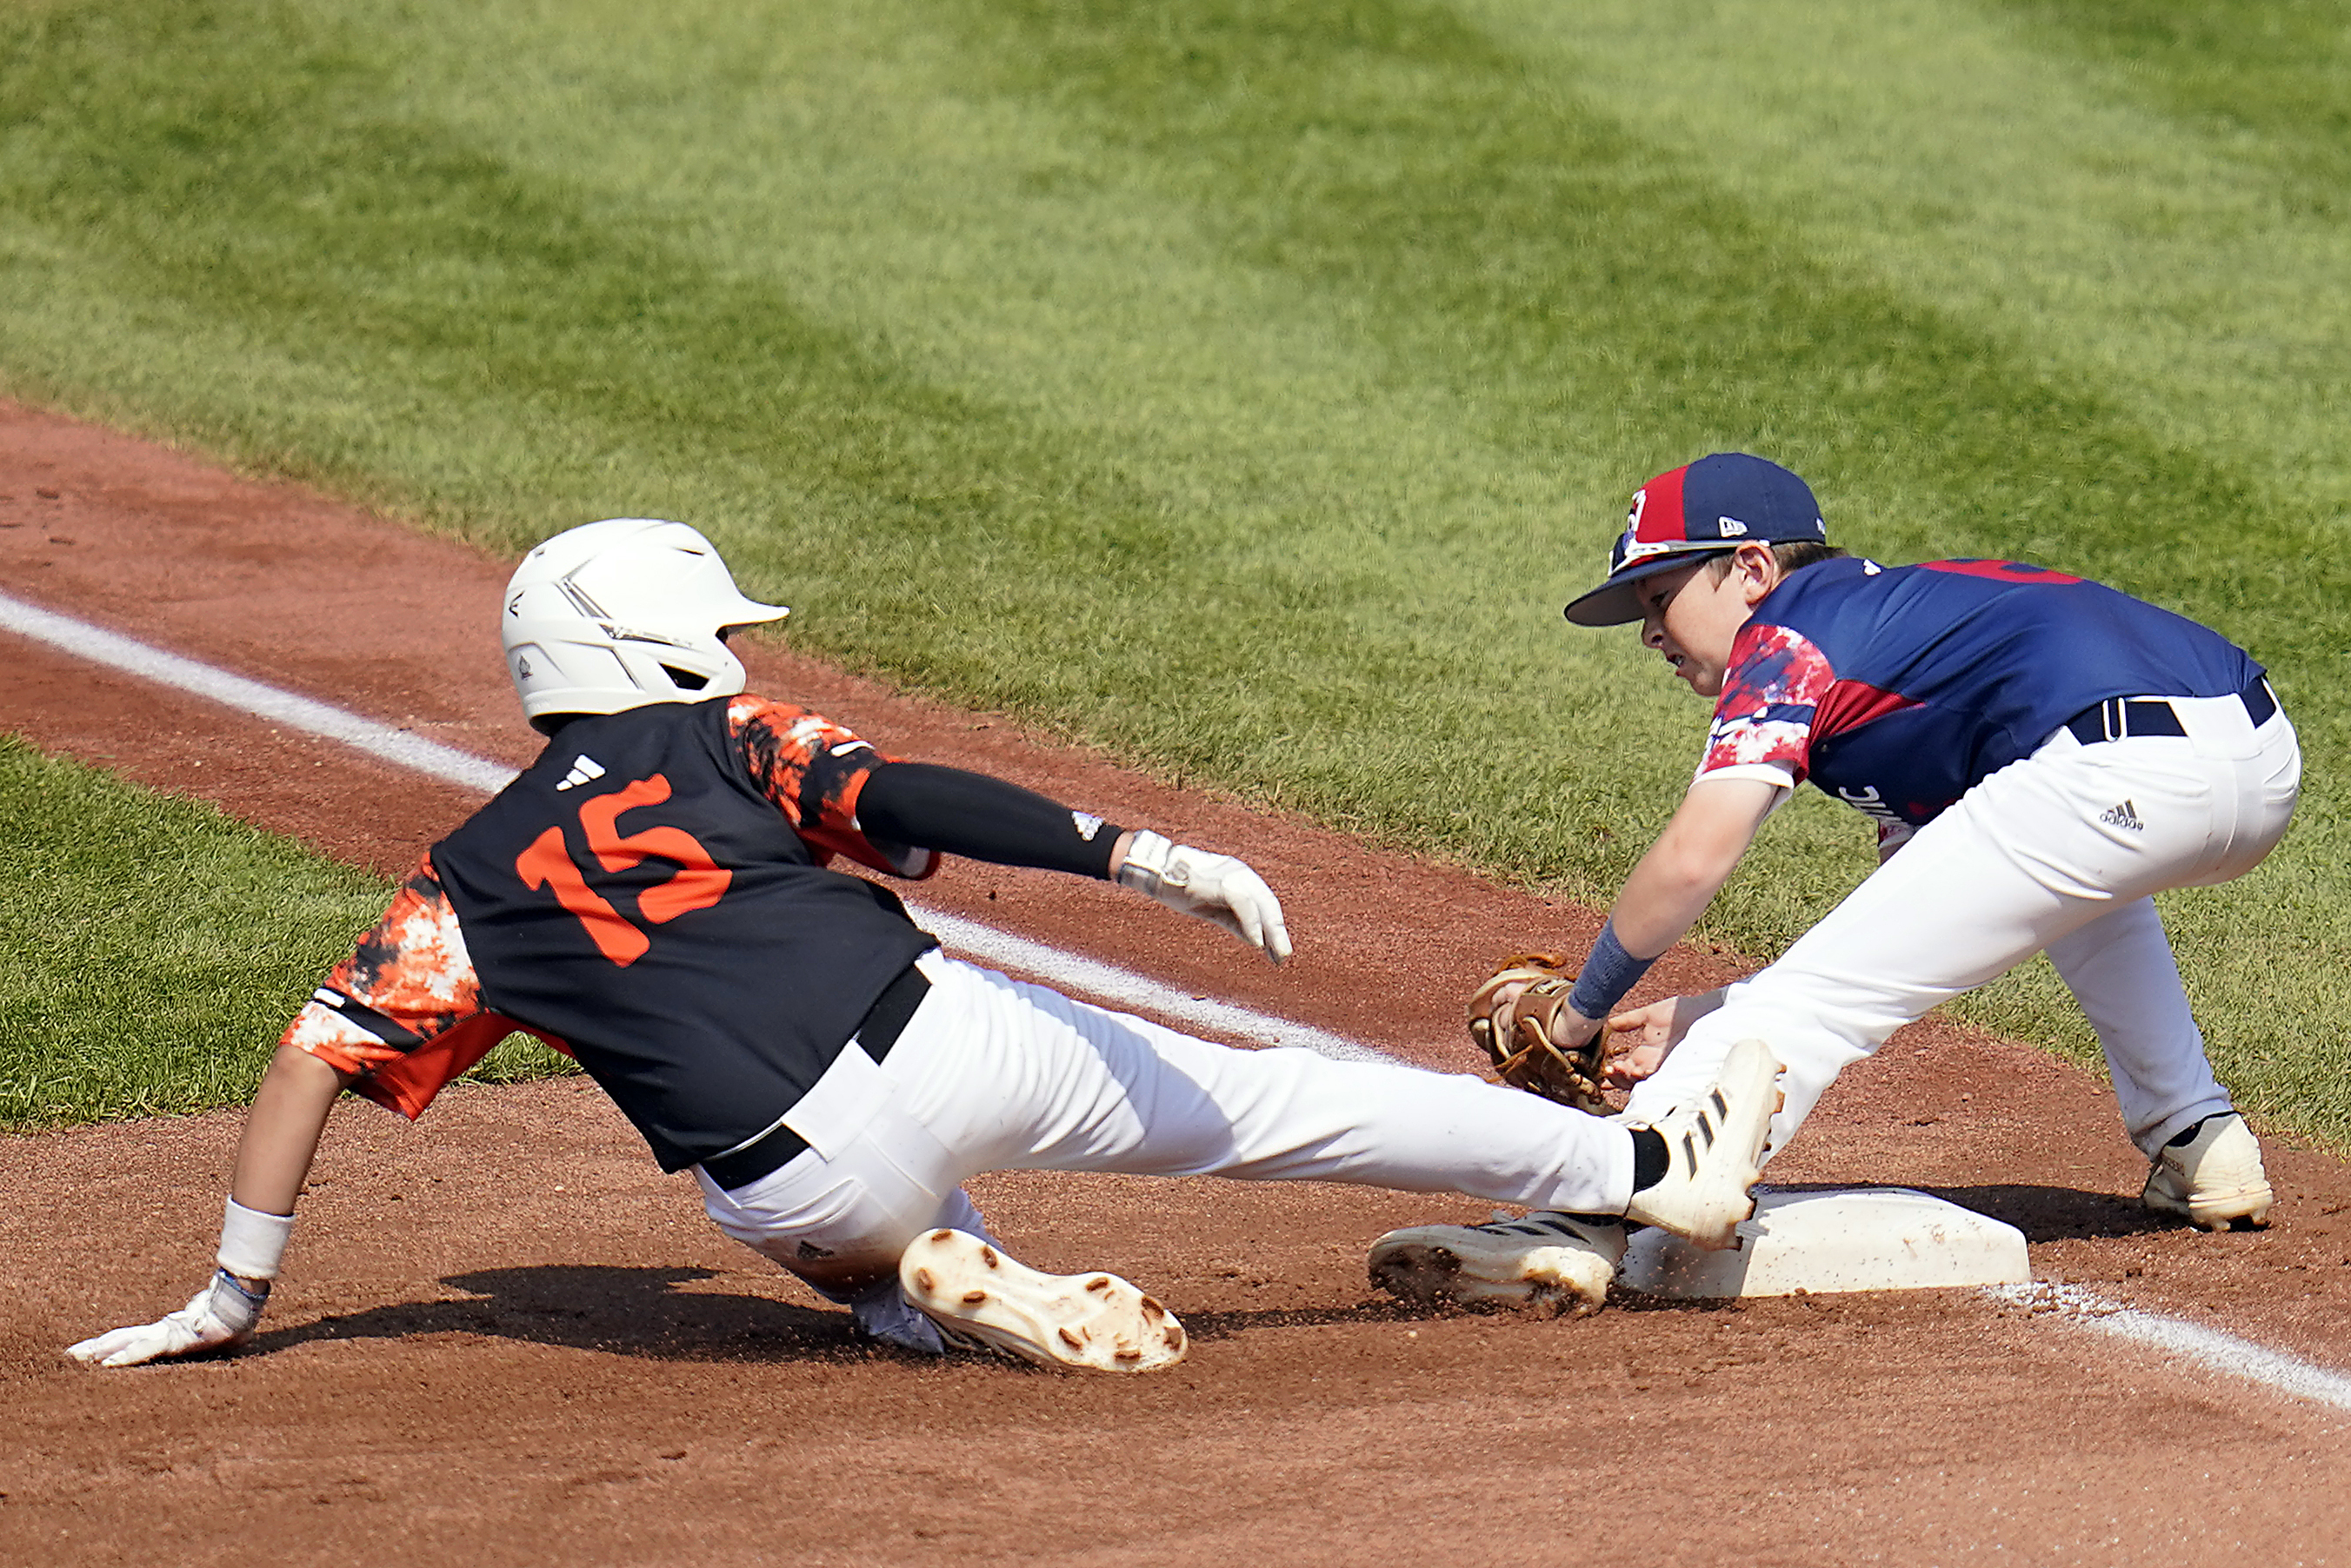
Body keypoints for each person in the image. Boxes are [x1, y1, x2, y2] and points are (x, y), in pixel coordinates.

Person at [69, 517, 1788, 1373]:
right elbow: (903, 787)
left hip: (785, 1184)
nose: (738, 649)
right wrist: (1141, 852)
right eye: (720, 626)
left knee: (840, 1227)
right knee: (1276, 1108)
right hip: (940, 1041)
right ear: (652, 636)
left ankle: (924, 1288)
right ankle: (1638, 1162)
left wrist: (233, 1293)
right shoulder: (719, 743)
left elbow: (310, 1056)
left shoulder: (460, 884)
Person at [1371, 453, 2300, 1310]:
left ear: (1750, 568)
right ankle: (2197, 1139)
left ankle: (1586, 1217)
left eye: (1659, 594)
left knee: (1809, 1009)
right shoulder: (1899, 633)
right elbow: (1922, 923)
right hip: (2253, 757)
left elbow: (1697, 855)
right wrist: (1696, 1010)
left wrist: (1581, 1012)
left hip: (2113, 773)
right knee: (2077, 893)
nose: (1650, 631)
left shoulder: (1787, 636)